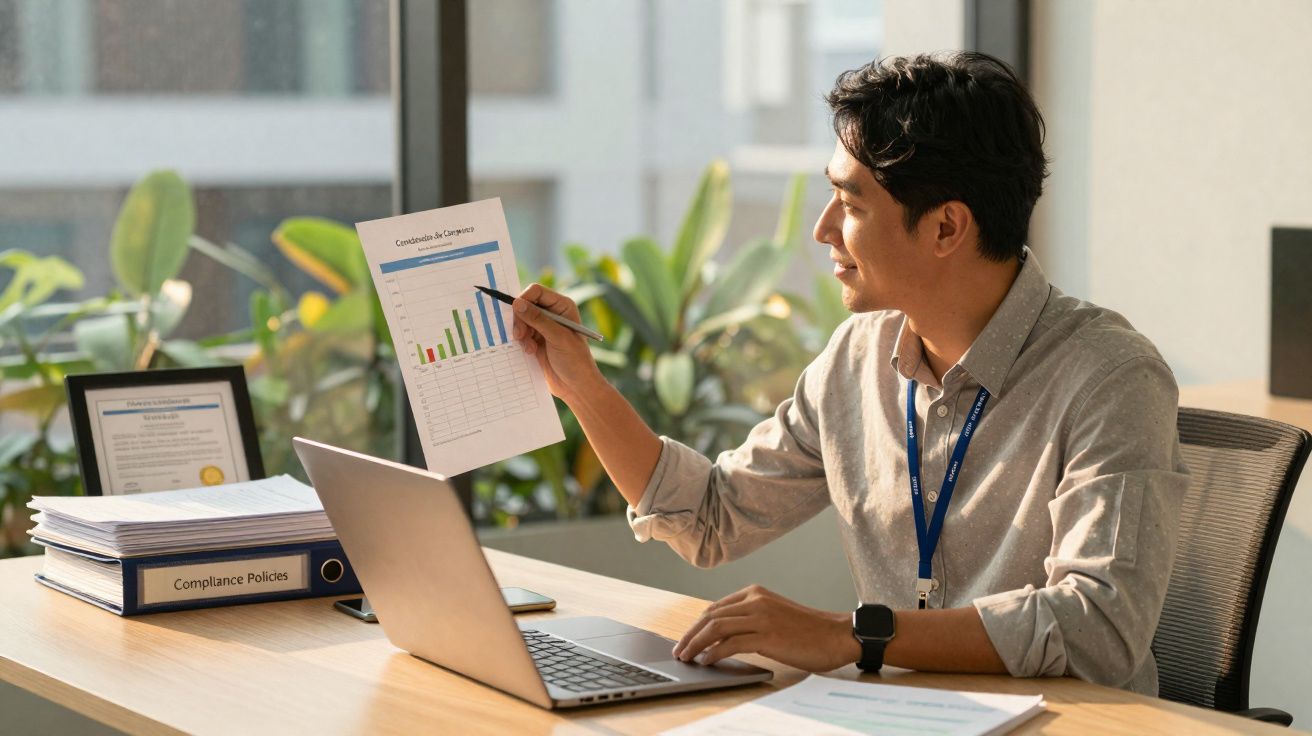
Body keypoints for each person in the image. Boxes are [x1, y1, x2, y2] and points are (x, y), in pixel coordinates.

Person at [509, 51, 1188, 695]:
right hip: (892, 716)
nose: (823, 228)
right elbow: (712, 518)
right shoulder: (856, 359)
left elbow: (1098, 627)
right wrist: (579, 386)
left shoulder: (1111, 377)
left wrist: (852, 635)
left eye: (851, 203)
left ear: (947, 228)